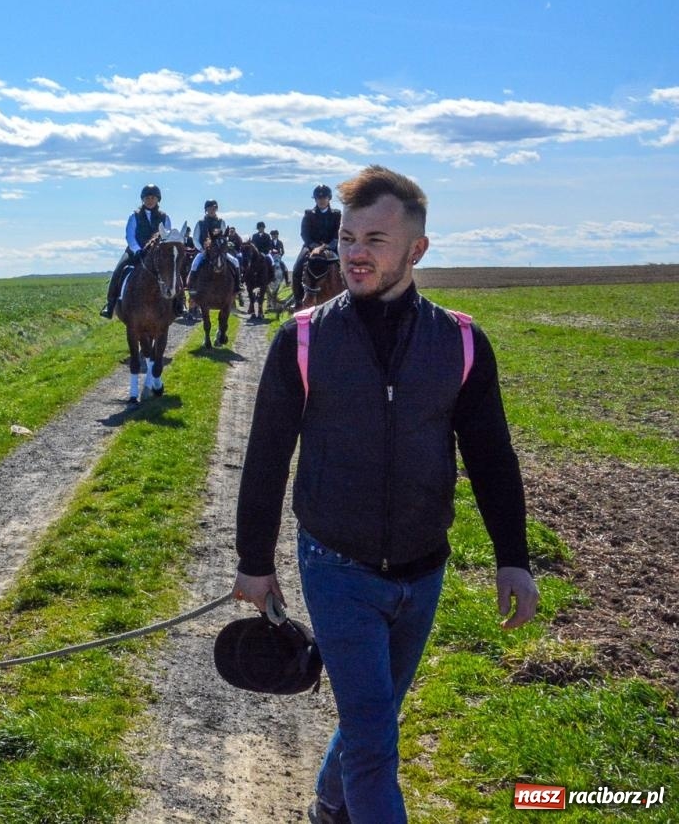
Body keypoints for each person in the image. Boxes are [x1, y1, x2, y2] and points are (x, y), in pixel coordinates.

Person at [231, 165, 539, 824]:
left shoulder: (459, 341)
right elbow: (264, 461)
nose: (355, 253)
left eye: (374, 239)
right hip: (335, 566)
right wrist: (254, 563)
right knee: (375, 739)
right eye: (347, 238)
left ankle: (328, 803)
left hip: (424, 570)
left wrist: (513, 556)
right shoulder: (303, 340)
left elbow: (490, 457)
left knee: (377, 716)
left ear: (417, 250)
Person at [101, 183, 175, 319]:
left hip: (158, 253)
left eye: (153, 198)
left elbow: (167, 236)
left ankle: (179, 303)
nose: (150, 200)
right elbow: (130, 235)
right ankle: (110, 304)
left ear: (158, 199)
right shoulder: (134, 216)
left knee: (173, 271)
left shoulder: (165, 217)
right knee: (118, 270)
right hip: (136, 251)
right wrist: (137, 250)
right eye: (147, 198)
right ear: (143, 199)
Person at [293, 184, 342, 307]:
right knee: (297, 267)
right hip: (311, 246)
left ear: (329, 198)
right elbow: (304, 234)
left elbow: (338, 233)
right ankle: (298, 300)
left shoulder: (337, 215)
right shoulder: (309, 214)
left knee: (346, 266)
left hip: (331, 246)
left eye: (324, 197)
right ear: (315, 199)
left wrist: (328, 246)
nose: (321, 200)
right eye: (318, 198)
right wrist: (314, 246)